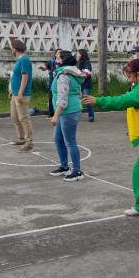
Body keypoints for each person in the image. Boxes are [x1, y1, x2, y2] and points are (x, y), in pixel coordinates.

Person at [82, 59, 139, 227]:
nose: (129, 80)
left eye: (130, 76)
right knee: (138, 172)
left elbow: (123, 101)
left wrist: (98, 101)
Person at [49, 51, 86, 181]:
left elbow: (63, 98)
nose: (55, 60)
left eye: (57, 58)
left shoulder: (64, 76)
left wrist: (55, 116)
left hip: (68, 111)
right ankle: (64, 167)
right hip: (67, 110)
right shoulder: (71, 72)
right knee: (58, 139)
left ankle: (77, 171)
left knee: (70, 141)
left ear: (63, 61)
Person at [8, 40, 34, 153]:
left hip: (21, 94)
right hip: (15, 93)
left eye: (12, 48)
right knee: (15, 117)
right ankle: (21, 138)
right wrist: (12, 91)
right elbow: (17, 77)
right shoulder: (20, 60)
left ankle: (29, 143)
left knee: (24, 118)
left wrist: (20, 93)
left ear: (14, 48)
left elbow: (25, 77)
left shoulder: (24, 59)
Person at [39, 48, 62, 119]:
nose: (60, 54)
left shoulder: (64, 62)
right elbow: (46, 67)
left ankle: (59, 113)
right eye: (58, 52)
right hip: (52, 82)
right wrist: (42, 68)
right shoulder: (52, 61)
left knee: (60, 98)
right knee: (51, 98)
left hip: (61, 82)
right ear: (55, 54)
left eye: (61, 53)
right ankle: (51, 114)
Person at [76, 49, 95, 122]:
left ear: (81, 54)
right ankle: (78, 114)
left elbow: (87, 73)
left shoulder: (87, 62)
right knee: (77, 100)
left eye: (78, 54)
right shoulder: (77, 62)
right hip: (78, 83)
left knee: (87, 99)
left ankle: (91, 115)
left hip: (86, 84)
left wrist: (78, 72)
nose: (77, 55)